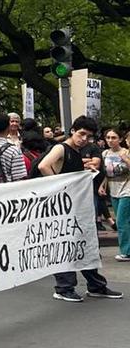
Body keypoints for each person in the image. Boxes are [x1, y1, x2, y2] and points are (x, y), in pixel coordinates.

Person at [35, 116, 123, 302]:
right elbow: (44, 165)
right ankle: (64, 287)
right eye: (81, 134)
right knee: (67, 246)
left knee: (85, 244)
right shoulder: (61, 148)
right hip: (62, 206)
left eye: (88, 136)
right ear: (73, 130)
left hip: (75, 205)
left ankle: (95, 285)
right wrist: (59, 186)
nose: (84, 139)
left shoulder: (75, 150)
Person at [100, 128, 130, 262]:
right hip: (113, 190)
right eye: (108, 138)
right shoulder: (105, 153)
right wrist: (102, 185)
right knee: (122, 220)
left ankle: (126, 252)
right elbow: (106, 173)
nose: (110, 140)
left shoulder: (126, 152)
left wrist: (126, 160)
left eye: (114, 137)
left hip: (127, 190)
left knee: (122, 222)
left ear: (120, 139)